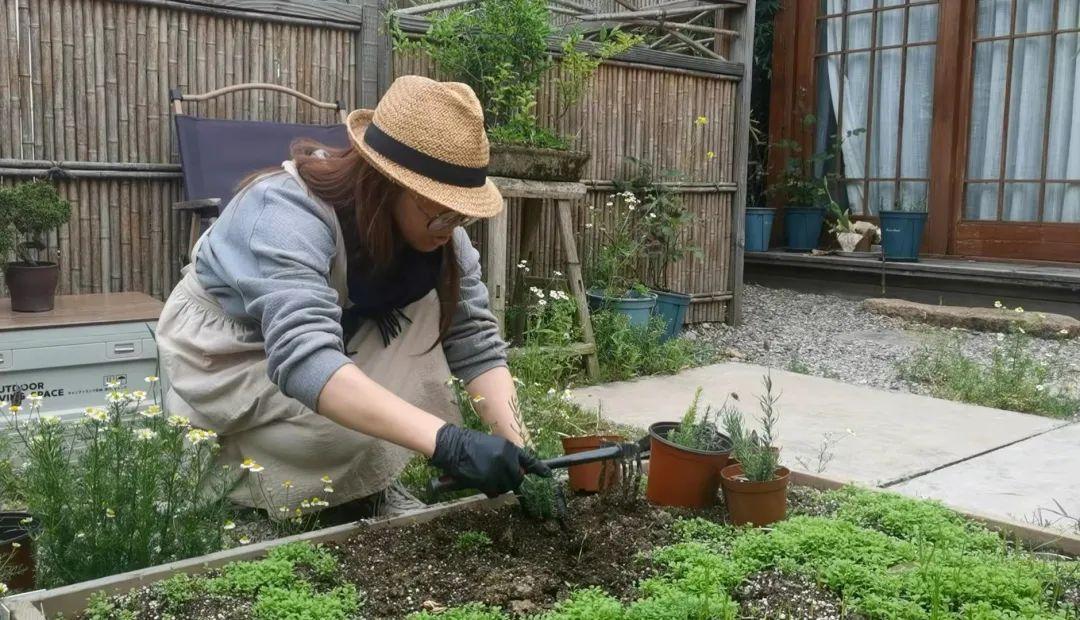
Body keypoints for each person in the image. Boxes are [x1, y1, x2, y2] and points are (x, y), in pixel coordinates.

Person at [156, 75, 550, 520]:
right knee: (332, 434)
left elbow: (474, 339)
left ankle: (368, 487)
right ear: (383, 182)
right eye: (439, 209)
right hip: (235, 345)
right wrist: (446, 443)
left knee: (419, 352)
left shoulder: (444, 241)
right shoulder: (285, 213)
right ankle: (241, 496)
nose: (450, 225)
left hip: (332, 331)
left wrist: (522, 453)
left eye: (461, 213)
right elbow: (304, 358)